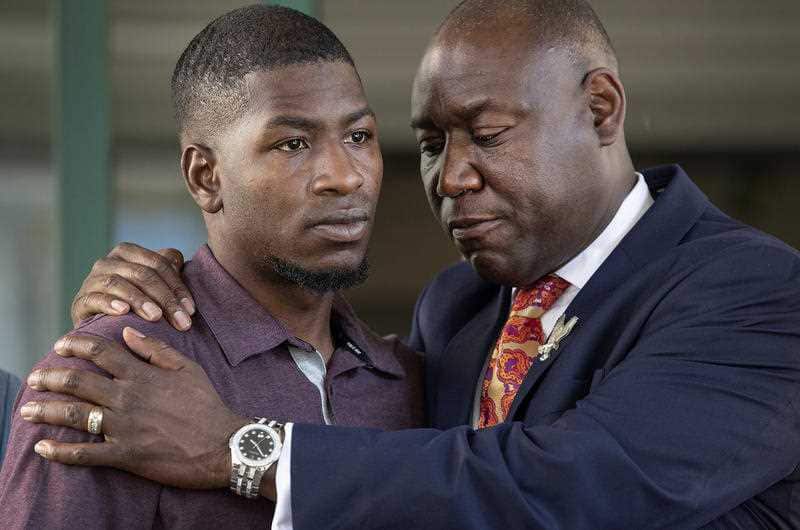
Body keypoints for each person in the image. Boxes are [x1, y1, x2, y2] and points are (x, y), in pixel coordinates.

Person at [16, 0, 800, 528]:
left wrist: (240, 449)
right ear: (204, 176)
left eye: (486, 133)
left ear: (600, 109)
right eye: (430, 145)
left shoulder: (758, 295)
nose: (450, 178)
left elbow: (575, 482)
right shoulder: (453, 312)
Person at [0, 5, 424, 529]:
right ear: (206, 177)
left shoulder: (406, 382)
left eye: (359, 137)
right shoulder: (106, 378)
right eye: (292, 143)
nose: (344, 176)